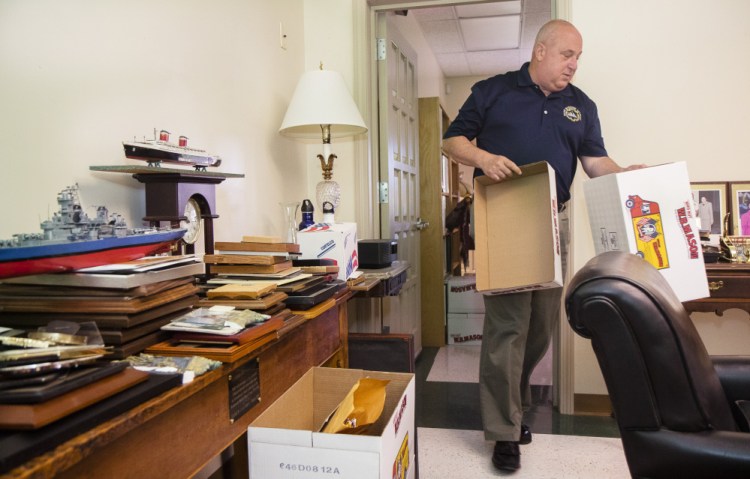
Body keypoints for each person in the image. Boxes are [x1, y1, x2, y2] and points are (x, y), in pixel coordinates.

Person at [442, 19, 646, 472]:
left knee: (540, 327)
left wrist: (625, 173)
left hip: (555, 218)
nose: (573, 64)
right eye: (566, 55)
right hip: (505, 212)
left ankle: (512, 405)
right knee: (507, 325)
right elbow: (452, 140)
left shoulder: (581, 105)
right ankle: (503, 431)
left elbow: (594, 161)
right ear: (540, 51)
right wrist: (483, 158)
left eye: (578, 57)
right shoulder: (493, 90)